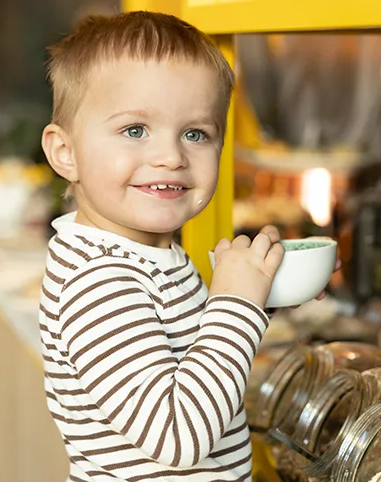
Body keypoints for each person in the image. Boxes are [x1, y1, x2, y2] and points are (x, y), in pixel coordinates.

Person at [38, 11, 338, 481]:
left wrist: (262, 294)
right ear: (65, 152)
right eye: (134, 130)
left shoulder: (143, 256)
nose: (171, 157)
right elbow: (178, 437)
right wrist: (236, 303)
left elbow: (186, 356)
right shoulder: (98, 281)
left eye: (195, 134)